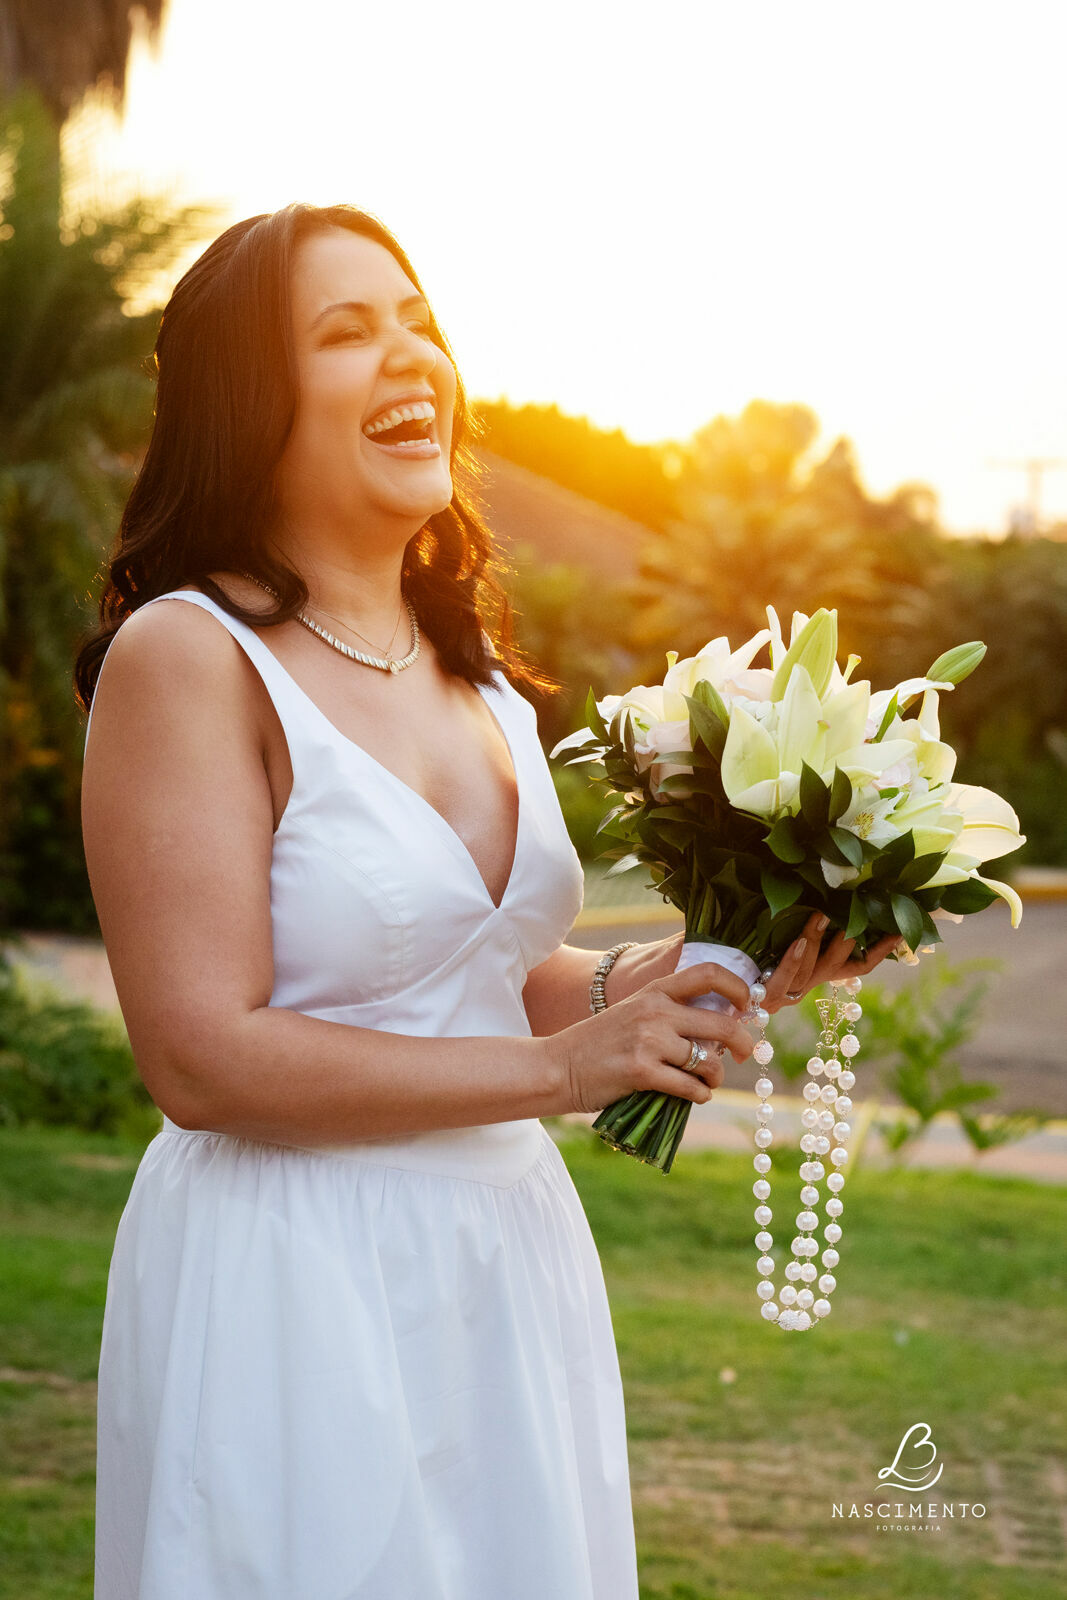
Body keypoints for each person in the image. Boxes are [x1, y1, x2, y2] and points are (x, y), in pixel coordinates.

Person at [77, 202, 901, 1599]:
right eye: (346, 331)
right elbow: (198, 1058)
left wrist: (708, 966)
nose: (411, 356)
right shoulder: (190, 656)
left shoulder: (471, 670)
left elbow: (494, 973)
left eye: (419, 322)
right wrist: (563, 1072)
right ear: (247, 402)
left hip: (504, 1256)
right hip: (297, 1272)